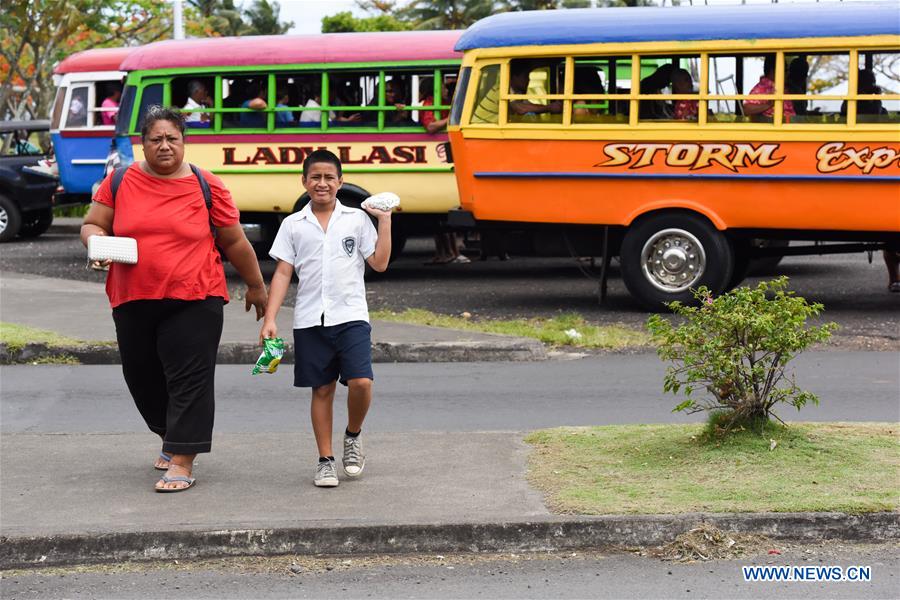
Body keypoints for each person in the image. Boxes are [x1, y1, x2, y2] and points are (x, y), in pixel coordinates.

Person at [80, 106, 268, 493]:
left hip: (196, 296)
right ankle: (170, 433)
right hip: (132, 296)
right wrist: (95, 243)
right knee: (142, 376)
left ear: (184, 142)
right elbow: (92, 223)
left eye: (172, 139)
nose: (165, 146)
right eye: (156, 139)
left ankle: (182, 460)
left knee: (190, 378)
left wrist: (256, 285)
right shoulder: (118, 181)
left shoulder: (206, 184)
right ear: (142, 144)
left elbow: (234, 240)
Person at [259, 150, 392, 488]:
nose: (322, 183)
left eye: (329, 177)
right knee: (322, 389)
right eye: (315, 177)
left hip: (351, 316)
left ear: (340, 182)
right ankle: (325, 460)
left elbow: (379, 263)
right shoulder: (293, 225)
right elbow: (283, 272)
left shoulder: (357, 219)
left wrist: (385, 221)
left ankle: (353, 434)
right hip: (309, 319)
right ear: (304, 182)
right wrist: (270, 318)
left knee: (361, 382)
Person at [420, 79, 470, 264]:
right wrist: (451, 118)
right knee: (442, 221)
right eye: (441, 84)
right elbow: (431, 126)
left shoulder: (437, 102)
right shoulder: (430, 104)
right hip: (437, 155)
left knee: (441, 222)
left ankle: (448, 253)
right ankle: (449, 253)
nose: (444, 88)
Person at [743, 54, 795, 121]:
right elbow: (746, 109)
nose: (787, 73)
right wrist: (769, 104)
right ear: (772, 71)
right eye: (785, 70)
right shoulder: (762, 88)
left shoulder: (780, 86)